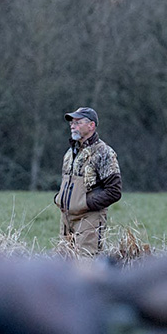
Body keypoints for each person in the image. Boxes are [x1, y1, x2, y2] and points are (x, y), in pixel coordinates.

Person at [54, 107, 122, 254]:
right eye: (72, 122)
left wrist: (85, 204)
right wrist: (59, 199)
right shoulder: (70, 153)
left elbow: (114, 191)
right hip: (66, 220)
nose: (72, 125)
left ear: (91, 125)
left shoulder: (104, 153)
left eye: (77, 122)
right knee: (63, 266)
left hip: (88, 222)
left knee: (86, 268)